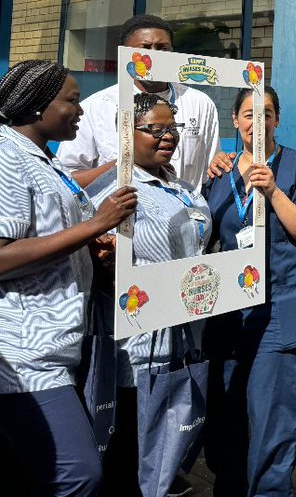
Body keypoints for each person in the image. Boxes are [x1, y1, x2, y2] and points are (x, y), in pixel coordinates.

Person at [0, 61, 137, 497]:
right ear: (38, 106)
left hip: (59, 350)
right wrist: (93, 227)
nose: (80, 111)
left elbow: (48, 239)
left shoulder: (46, 162)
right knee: (79, 475)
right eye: (72, 101)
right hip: (23, 357)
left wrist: (90, 255)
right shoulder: (6, 159)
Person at [89, 93, 213, 497]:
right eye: (155, 130)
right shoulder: (113, 192)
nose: (168, 137)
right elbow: (99, 263)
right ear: (127, 133)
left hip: (183, 336)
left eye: (172, 129)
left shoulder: (181, 185)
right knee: (130, 451)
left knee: (166, 451)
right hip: (137, 347)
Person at [202, 86, 296, 497]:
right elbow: (201, 233)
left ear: (277, 119)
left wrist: (273, 190)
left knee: (273, 425)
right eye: (250, 113)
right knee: (226, 423)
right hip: (227, 312)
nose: (259, 121)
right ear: (235, 120)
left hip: (280, 310)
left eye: (267, 112)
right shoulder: (217, 171)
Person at [59, 14, 221, 191]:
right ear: (124, 53)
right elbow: (66, 179)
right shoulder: (96, 107)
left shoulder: (200, 103)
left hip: (187, 215)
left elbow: (210, 172)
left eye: (162, 48)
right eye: (144, 48)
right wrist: (124, 165)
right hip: (123, 216)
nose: (153, 55)